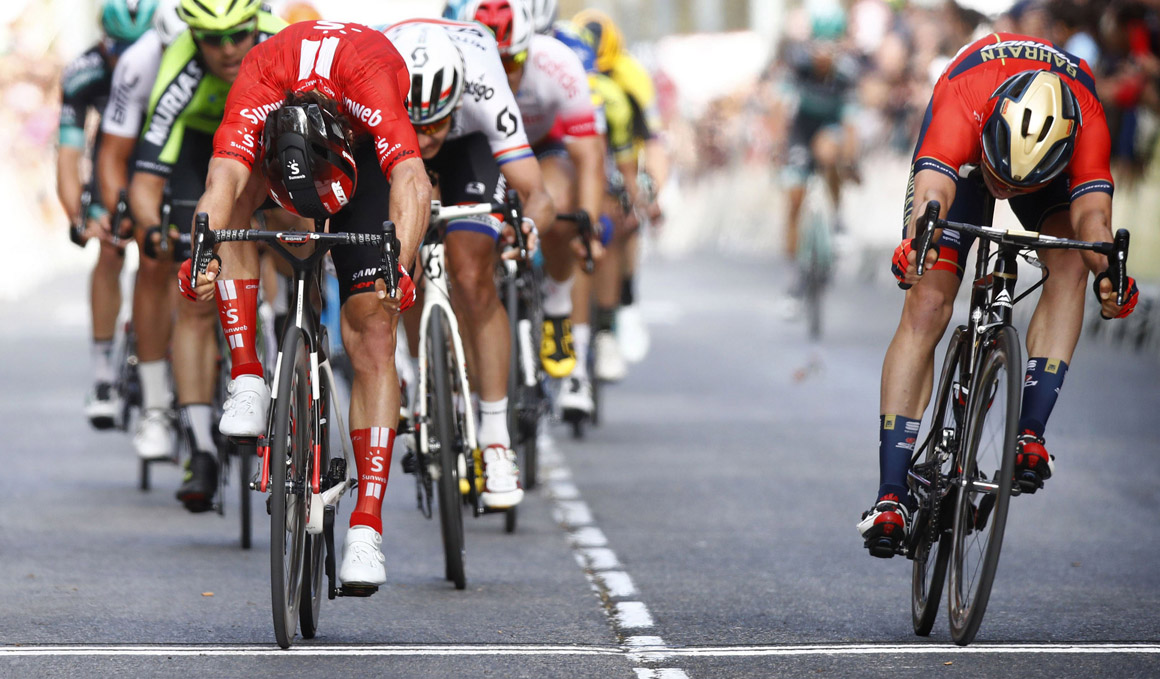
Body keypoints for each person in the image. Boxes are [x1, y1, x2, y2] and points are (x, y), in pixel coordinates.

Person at [858, 32, 1141, 558]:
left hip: (1046, 172)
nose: (1004, 190)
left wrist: (1112, 275)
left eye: (1015, 186)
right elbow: (933, 192)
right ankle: (890, 496)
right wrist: (917, 245)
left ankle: (1029, 434)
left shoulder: (1087, 116)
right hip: (965, 158)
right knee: (928, 302)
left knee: (1071, 263)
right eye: (1002, 180)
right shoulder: (963, 96)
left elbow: (1093, 222)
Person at [182, 19, 431, 588]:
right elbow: (223, 179)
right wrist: (200, 255)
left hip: (361, 163)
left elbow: (411, 178)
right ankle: (248, 374)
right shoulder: (262, 70)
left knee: (373, 331)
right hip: (283, 154)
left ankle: (367, 527)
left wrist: (399, 265)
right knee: (231, 214)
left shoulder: (369, 71)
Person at [385, 18, 554, 509]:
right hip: (392, 143)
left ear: (457, 101)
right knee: (397, 260)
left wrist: (528, 227)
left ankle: (496, 441)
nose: (427, 137)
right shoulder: (379, 87)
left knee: (471, 274)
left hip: (471, 150)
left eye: (436, 123)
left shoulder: (485, 88)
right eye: (418, 125)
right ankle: (418, 376)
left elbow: (537, 193)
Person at [128, 0, 285, 508]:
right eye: (212, 39)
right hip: (202, 150)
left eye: (238, 35)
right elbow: (146, 176)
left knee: (299, 237)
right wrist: (155, 231)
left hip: (271, 139)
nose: (228, 49)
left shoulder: (280, 43)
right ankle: (200, 446)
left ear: (257, 24)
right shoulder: (179, 68)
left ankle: (293, 337)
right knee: (196, 292)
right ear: (193, 37)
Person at [466, 0, 605, 415]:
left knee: (561, 208)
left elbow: (590, 157)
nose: (505, 72)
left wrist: (587, 226)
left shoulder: (558, 64)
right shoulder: (461, 63)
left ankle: (558, 306)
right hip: (482, 148)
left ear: (530, 48)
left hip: (542, 146)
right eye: (495, 61)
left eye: (513, 60)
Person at [57, 0, 158, 429]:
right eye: (118, 49)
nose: (127, 59)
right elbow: (68, 154)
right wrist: (79, 215)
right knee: (110, 248)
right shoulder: (84, 71)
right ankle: (102, 373)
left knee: (163, 253)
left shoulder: (168, 58)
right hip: (111, 157)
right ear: (103, 42)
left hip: (159, 152)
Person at [96, 0, 185, 446]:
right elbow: (112, 156)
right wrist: (126, 216)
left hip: (207, 145)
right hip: (149, 155)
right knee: (152, 258)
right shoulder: (138, 63)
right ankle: (155, 407)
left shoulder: (238, 53)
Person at [574, 8, 669, 366]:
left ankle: (623, 301)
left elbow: (655, 143)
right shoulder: (565, 75)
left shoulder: (631, 78)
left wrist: (651, 192)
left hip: (626, 148)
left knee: (622, 214)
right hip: (579, 143)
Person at [776, 5, 860, 308]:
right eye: (818, 46)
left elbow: (851, 125)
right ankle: (792, 276)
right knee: (793, 198)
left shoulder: (847, 72)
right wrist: (778, 147)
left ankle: (837, 218)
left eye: (830, 47)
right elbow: (780, 109)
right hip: (801, 131)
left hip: (830, 129)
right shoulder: (797, 65)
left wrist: (851, 160)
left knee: (828, 149)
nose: (823, 55)